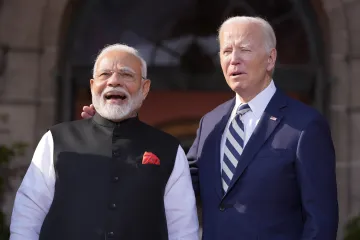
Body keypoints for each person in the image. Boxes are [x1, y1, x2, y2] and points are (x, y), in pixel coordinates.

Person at [81, 16, 339, 240]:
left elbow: (321, 220)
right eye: (226, 51)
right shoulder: (211, 122)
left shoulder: (305, 126)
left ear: (270, 59)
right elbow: (176, 178)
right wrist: (116, 131)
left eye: (245, 50)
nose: (234, 60)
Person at [9, 44, 199, 240]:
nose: (114, 81)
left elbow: (183, 230)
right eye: (105, 74)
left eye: (126, 74)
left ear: (145, 88)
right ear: (92, 86)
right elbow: (28, 215)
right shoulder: (56, 140)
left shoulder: (169, 149)